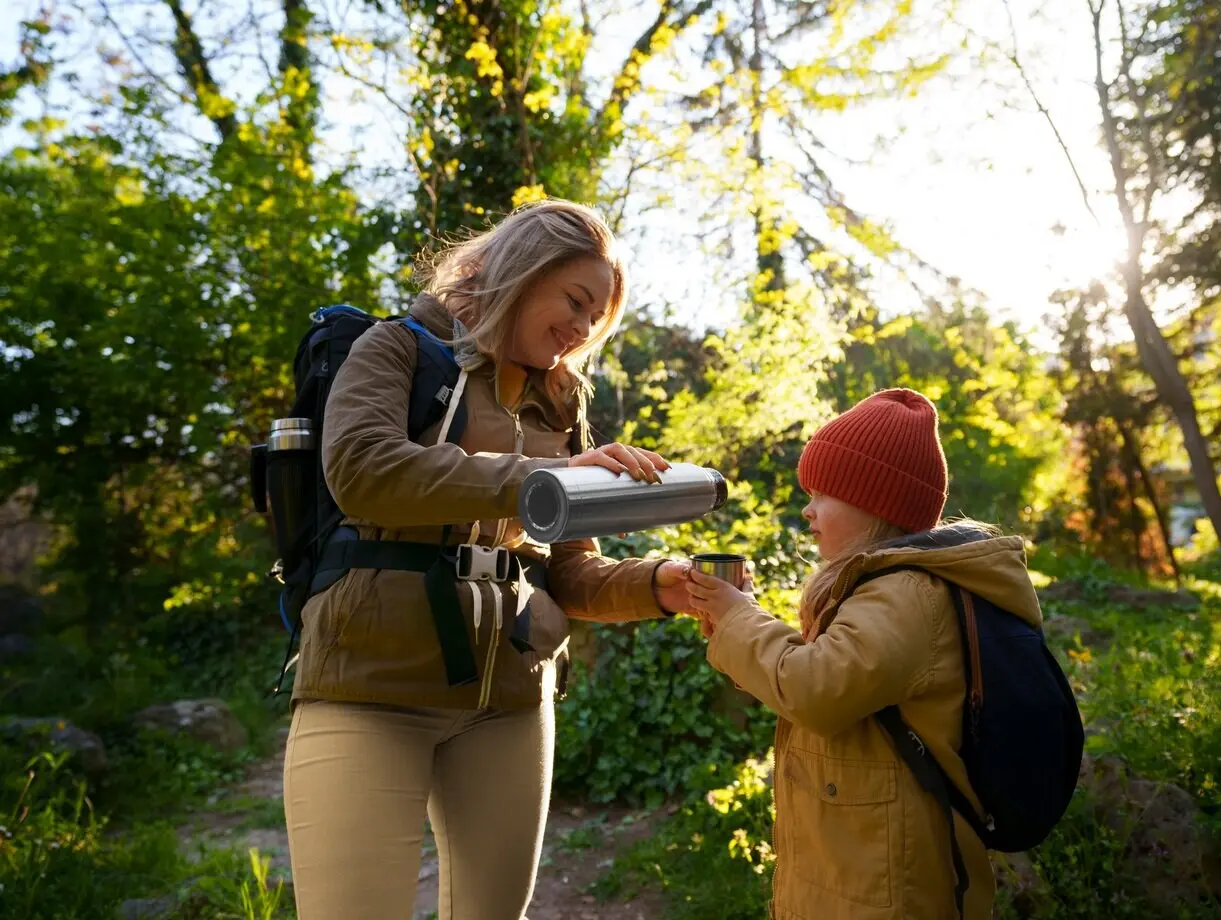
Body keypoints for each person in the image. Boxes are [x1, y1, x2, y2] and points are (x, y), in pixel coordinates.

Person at [283, 199, 693, 920]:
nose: (582, 328)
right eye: (575, 299)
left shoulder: (558, 409)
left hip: (509, 698)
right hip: (368, 683)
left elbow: (571, 574)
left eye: (596, 318)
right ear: (523, 270)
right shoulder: (395, 350)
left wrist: (661, 585)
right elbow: (364, 470)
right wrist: (544, 484)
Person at [687, 388, 1044, 920]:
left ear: (874, 504)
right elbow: (827, 679)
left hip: (889, 889)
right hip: (858, 875)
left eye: (823, 493)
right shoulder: (882, 589)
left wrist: (740, 619)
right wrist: (739, 619)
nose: (807, 509)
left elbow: (815, 690)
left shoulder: (907, 595)